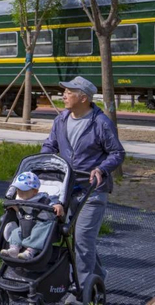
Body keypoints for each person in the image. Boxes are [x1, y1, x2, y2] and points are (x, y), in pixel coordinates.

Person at [40, 76, 125, 299]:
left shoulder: (101, 123)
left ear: (83, 98)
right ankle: (97, 277)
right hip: (68, 189)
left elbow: (117, 152)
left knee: (83, 239)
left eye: (69, 92)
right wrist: (42, 161)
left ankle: (82, 293)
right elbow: (50, 145)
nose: (64, 95)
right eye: (64, 92)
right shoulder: (61, 120)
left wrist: (102, 169)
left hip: (93, 191)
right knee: (77, 240)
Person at [0, 171, 65, 260]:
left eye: (23, 190)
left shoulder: (43, 199)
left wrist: (57, 205)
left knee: (39, 231)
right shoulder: (19, 199)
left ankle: (30, 251)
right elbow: (21, 213)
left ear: (35, 191)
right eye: (18, 189)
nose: (20, 192)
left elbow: (54, 202)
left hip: (41, 225)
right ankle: (14, 249)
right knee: (16, 232)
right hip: (25, 225)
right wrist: (16, 209)